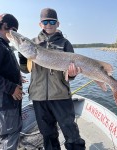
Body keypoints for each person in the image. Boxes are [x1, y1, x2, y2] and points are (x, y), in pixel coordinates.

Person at [18, 8, 85, 150]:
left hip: (60, 96)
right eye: (45, 21)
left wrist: (72, 73)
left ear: (58, 23)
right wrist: (22, 57)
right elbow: (25, 69)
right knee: (48, 135)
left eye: (52, 22)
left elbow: (70, 75)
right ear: (40, 24)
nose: (49, 24)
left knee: (71, 132)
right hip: (39, 97)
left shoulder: (65, 44)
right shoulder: (32, 43)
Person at [0, 14, 23, 150]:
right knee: (9, 137)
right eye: (14, 31)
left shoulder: (4, 45)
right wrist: (11, 88)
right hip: (5, 106)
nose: (15, 35)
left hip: (9, 104)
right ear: (4, 26)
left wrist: (17, 76)